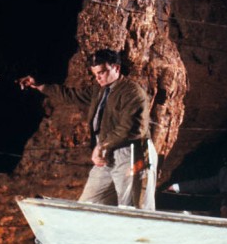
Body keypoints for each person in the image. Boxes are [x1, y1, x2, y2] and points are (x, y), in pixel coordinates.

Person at [18, 48, 156, 208]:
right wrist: (40, 86)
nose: (98, 77)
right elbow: (72, 95)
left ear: (116, 68)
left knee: (131, 207)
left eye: (102, 72)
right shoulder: (101, 89)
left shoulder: (133, 93)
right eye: (95, 73)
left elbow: (131, 128)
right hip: (105, 155)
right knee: (88, 204)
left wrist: (102, 145)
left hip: (130, 155)